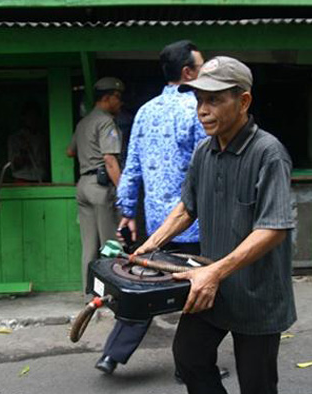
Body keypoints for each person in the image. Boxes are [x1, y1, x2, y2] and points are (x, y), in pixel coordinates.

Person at [135, 56, 297, 394]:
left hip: (258, 294)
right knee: (189, 357)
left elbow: (274, 228)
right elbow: (186, 208)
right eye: (199, 100)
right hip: (211, 285)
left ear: (243, 101)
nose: (202, 110)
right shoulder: (203, 153)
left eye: (214, 99)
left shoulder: (268, 153)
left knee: (257, 385)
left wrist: (216, 272)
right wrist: (150, 245)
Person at [95, 40, 209, 377]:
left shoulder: (146, 111)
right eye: (203, 67)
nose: (207, 73)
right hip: (192, 223)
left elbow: (131, 169)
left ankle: (112, 354)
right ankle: (189, 367)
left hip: (157, 225)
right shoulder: (198, 110)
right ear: (188, 73)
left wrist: (127, 211)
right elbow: (208, 166)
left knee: (148, 290)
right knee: (195, 295)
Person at [66, 77, 124, 294]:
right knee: (111, 245)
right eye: (117, 98)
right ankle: (114, 293)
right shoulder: (106, 122)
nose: (120, 103)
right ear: (107, 98)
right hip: (100, 187)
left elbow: (69, 151)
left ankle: (89, 294)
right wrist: (122, 190)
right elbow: (109, 160)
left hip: (83, 185)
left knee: (89, 246)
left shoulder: (83, 122)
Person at [8, 101, 48, 183]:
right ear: (23, 117)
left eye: (35, 116)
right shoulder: (16, 138)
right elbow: (15, 165)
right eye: (30, 116)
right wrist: (24, 151)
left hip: (41, 179)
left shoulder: (42, 137)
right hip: (22, 179)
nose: (33, 119)